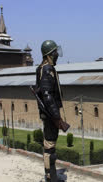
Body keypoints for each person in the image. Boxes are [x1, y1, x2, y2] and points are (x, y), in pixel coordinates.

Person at [36, 40, 64, 182]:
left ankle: (50, 175)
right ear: (48, 55)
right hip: (50, 115)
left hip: (49, 114)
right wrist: (56, 116)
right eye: (54, 52)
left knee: (50, 145)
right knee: (50, 147)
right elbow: (47, 96)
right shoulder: (47, 69)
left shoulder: (45, 68)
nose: (57, 54)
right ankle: (50, 177)